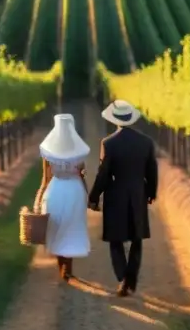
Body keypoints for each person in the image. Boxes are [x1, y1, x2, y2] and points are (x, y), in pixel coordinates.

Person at [88, 100, 158, 297]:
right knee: (137, 238)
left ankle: (122, 278)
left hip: (115, 195)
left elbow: (103, 175)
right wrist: (151, 192)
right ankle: (132, 279)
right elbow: (152, 171)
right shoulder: (146, 142)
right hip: (138, 193)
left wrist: (93, 198)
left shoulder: (108, 143)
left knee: (115, 239)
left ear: (114, 120)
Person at [37, 114, 91, 281]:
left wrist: (39, 197)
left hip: (56, 190)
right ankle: (68, 268)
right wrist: (86, 194)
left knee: (58, 227)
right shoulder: (79, 152)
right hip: (74, 190)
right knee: (71, 227)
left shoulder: (48, 152)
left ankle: (62, 265)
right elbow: (82, 175)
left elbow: (45, 178)